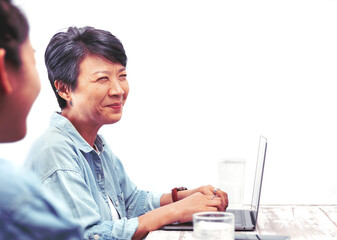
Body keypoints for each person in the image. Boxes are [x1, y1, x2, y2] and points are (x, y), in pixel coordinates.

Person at [25, 26, 229, 240]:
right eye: (103, 79)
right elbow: (90, 236)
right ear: (65, 89)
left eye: (122, 76)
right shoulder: (55, 153)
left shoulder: (93, 143)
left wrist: (182, 198)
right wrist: (175, 211)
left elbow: (130, 203)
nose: (118, 90)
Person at [0, 0, 83, 239]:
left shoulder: (100, 147)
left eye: (122, 76)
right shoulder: (14, 196)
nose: (118, 90)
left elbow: (131, 198)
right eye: (33, 59)